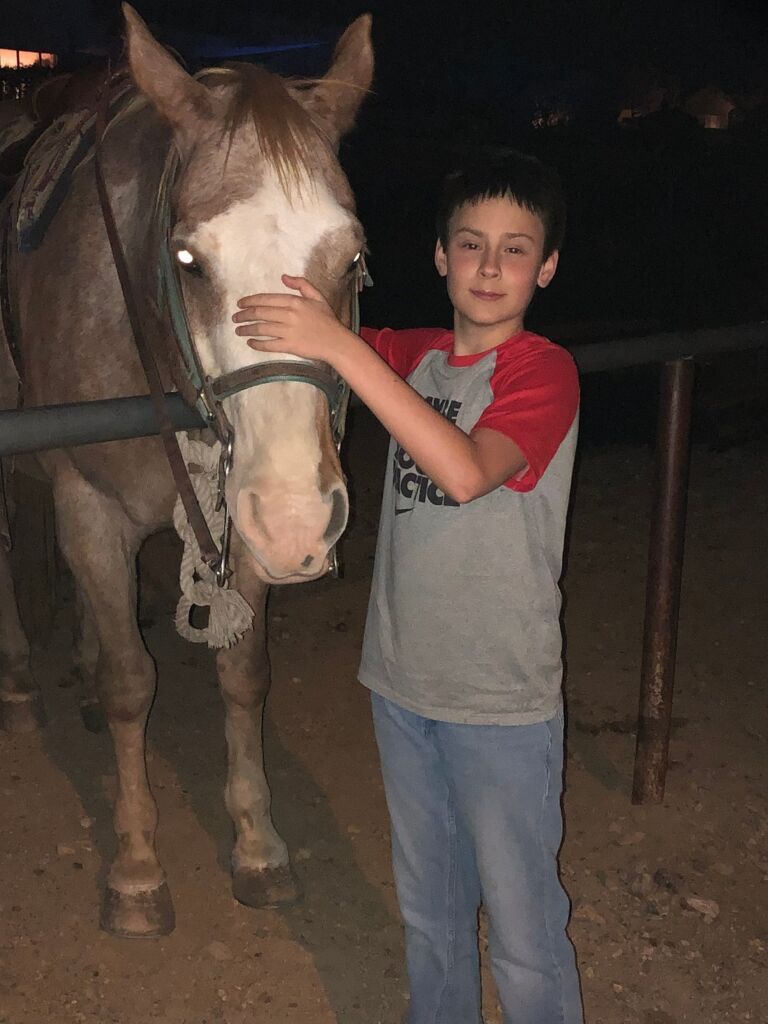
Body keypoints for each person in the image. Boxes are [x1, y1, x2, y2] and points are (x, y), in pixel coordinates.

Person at [233, 149, 584, 1024]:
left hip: (500, 703)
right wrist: (305, 321)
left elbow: (464, 473)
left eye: (514, 249)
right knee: (431, 918)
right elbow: (320, 338)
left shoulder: (543, 371)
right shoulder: (413, 355)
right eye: (470, 244)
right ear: (439, 256)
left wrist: (340, 348)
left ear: (545, 267)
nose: (490, 267)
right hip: (401, 686)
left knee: (525, 934)